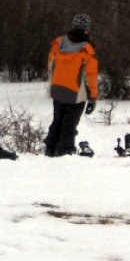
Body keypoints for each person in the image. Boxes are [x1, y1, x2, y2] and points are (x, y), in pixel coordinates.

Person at [44, 14, 98, 156]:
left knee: (58, 120)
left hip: (57, 88)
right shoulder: (87, 49)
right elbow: (90, 76)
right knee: (70, 123)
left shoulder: (58, 42)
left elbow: (50, 65)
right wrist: (93, 97)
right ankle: (64, 150)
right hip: (76, 92)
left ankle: (50, 148)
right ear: (87, 29)